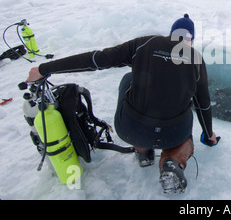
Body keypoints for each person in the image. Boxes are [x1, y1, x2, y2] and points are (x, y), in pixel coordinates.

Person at [25, 14, 219, 193]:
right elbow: (203, 104)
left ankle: (143, 153)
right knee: (187, 113)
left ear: (171, 33)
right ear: (191, 39)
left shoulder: (145, 43)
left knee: (128, 79)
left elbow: (96, 59)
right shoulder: (196, 59)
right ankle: (172, 163)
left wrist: (44, 68)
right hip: (173, 134)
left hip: (131, 129)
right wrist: (208, 134)